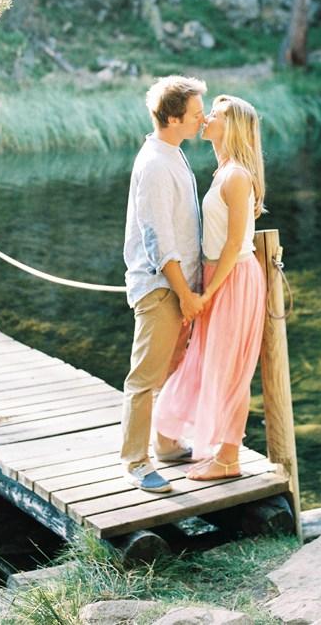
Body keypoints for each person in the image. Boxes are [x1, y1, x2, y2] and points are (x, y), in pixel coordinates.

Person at [154, 94, 267, 481]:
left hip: (233, 278)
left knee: (230, 366)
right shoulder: (224, 171)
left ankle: (229, 458)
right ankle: (217, 449)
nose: (206, 120)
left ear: (230, 127)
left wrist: (206, 293)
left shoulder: (236, 175)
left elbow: (235, 245)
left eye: (214, 116)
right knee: (207, 361)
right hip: (220, 275)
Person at [121, 75, 207, 493]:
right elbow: (158, 240)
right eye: (194, 114)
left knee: (173, 369)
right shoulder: (155, 163)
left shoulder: (172, 152)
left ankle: (167, 443)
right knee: (146, 376)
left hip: (180, 286)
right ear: (172, 117)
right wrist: (186, 294)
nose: (202, 119)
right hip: (160, 288)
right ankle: (136, 460)